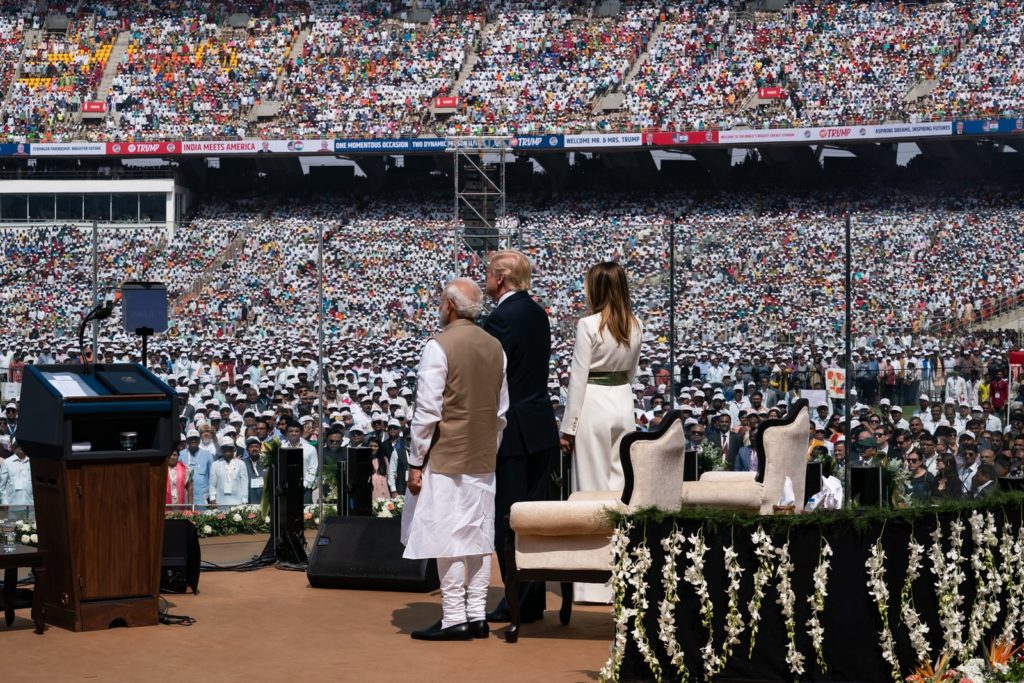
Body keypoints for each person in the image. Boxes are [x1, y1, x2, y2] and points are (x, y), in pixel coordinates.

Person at [402, 278, 509, 641]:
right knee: (479, 536)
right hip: (483, 455)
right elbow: (501, 411)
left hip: (447, 455)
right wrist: (488, 447)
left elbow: (427, 411)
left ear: (449, 306)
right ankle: (477, 614)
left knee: (446, 536)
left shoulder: (439, 346)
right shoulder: (496, 347)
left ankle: (453, 617)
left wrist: (416, 461)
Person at [482, 250, 559, 625]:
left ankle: (516, 600)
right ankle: (532, 598)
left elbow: (488, 373)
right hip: (540, 426)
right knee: (536, 517)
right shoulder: (537, 313)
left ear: (501, 278)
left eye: (487, 274)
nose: (485, 280)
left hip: (512, 431)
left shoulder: (500, 318)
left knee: (509, 519)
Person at [558, 262, 642, 603]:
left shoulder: (588, 324)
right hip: (623, 401)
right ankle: (620, 572)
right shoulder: (636, 324)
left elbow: (577, 379)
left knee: (590, 487)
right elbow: (633, 373)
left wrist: (568, 427)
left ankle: (592, 582)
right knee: (621, 488)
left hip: (592, 402)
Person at [208, 436, 249, 507]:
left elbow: (244, 483)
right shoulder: (215, 464)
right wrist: (212, 498)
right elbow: (212, 484)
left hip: (238, 502)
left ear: (234, 449)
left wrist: (244, 500)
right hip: (220, 501)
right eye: (225, 448)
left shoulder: (241, 464)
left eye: (230, 448)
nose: (227, 450)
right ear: (221, 449)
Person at [0, 439, 32, 505]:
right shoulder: (7, 463)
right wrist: (5, 504)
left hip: (31, 505)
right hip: (12, 506)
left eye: (22, 444)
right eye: (18, 445)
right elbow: (1, 487)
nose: (20, 447)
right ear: (14, 447)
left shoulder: (32, 462)